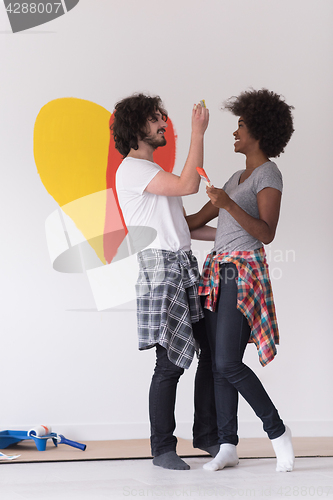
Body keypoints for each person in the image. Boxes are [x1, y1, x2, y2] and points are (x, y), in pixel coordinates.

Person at [186, 88, 295, 472]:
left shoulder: (268, 174)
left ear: (259, 133)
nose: (235, 132)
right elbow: (196, 223)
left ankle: (278, 432)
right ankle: (227, 445)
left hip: (243, 274)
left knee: (230, 363)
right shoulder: (234, 177)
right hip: (218, 272)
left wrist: (228, 205)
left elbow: (266, 232)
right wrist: (154, 212)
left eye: (241, 126)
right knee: (217, 362)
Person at [113, 93, 218, 470]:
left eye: (164, 118)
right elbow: (189, 185)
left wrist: (231, 232)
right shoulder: (133, 170)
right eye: (156, 119)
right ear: (136, 127)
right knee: (170, 364)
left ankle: (207, 435)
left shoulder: (155, 174)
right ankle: (162, 448)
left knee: (211, 353)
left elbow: (182, 226)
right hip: (161, 268)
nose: (163, 125)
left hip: (181, 263)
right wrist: (198, 133)